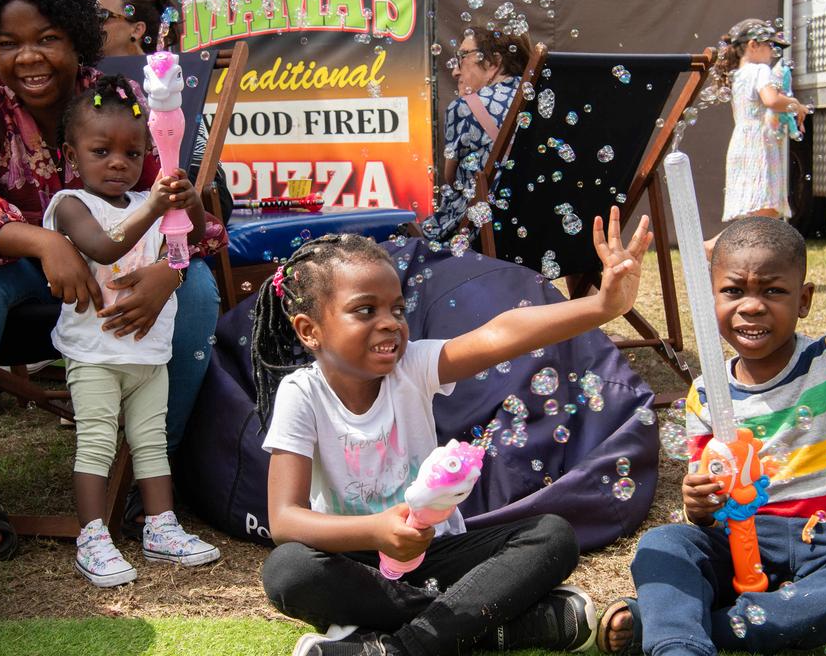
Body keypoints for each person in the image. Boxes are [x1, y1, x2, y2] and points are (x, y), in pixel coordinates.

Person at [255, 207, 654, 655]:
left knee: (551, 535)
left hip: (442, 555)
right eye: (365, 310)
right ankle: (507, 627)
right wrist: (375, 531)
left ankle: (396, 648)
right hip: (358, 563)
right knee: (288, 571)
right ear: (310, 331)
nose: (389, 322)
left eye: (397, 309)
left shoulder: (414, 366)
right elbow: (285, 520)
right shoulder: (301, 394)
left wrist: (603, 306)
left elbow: (500, 334)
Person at [597, 181, 826, 656]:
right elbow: (709, 503)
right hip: (740, 545)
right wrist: (698, 504)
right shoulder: (707, 392)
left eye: (773, 290)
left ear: (803, 300)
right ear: (712, 299)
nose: (751, 305)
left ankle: (705, 625)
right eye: (733, 290)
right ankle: (680, 647)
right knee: (667, 542)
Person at [0, 0, 221, 471]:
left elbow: (174, 204)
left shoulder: (118, 103)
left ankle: (159, 468)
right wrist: (45, 243)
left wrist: (172, 268)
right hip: (24, 279)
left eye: (47, 38)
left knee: (199, 288)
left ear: (77, 38)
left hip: (117, 279)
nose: (29, 57)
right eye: (8, 43)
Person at [43, 75, 220, 586]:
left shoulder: (150, 201)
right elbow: (103, 248)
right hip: (94, 353)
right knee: (96, 441)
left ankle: (160, 527)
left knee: (150, 441)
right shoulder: (71, 204)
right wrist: (155, 205)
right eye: (102, 151)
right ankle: (92, 536)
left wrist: (185, 199)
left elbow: (194, 238)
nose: (118, 162)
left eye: (132, 152)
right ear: (73, 156)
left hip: (149, 352)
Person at [98, 0, 234, 224]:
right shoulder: (88, 78)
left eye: (103, 16)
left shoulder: (167, 75)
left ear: (137, 29)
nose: (94, 23)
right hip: (128, 186)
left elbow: (195, 165)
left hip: (194, 185)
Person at [703, 18, 810, 255]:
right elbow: (771, 100)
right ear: (753, 45)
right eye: (769, 46)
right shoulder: (760, 71)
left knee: (760, 211)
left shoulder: (738, 75)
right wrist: (795, 105)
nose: (773, 53)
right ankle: (712, 247)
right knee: (766, 209)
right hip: (759, 145)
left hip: (742, 141)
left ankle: (749, 258)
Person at [419, 24, 530, 243]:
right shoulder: (545, 97)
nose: (455, 70)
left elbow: (451, 179)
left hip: (485, 233)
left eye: (462, 57)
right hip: (543, 227)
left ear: (493, 63)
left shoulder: (466, 106)